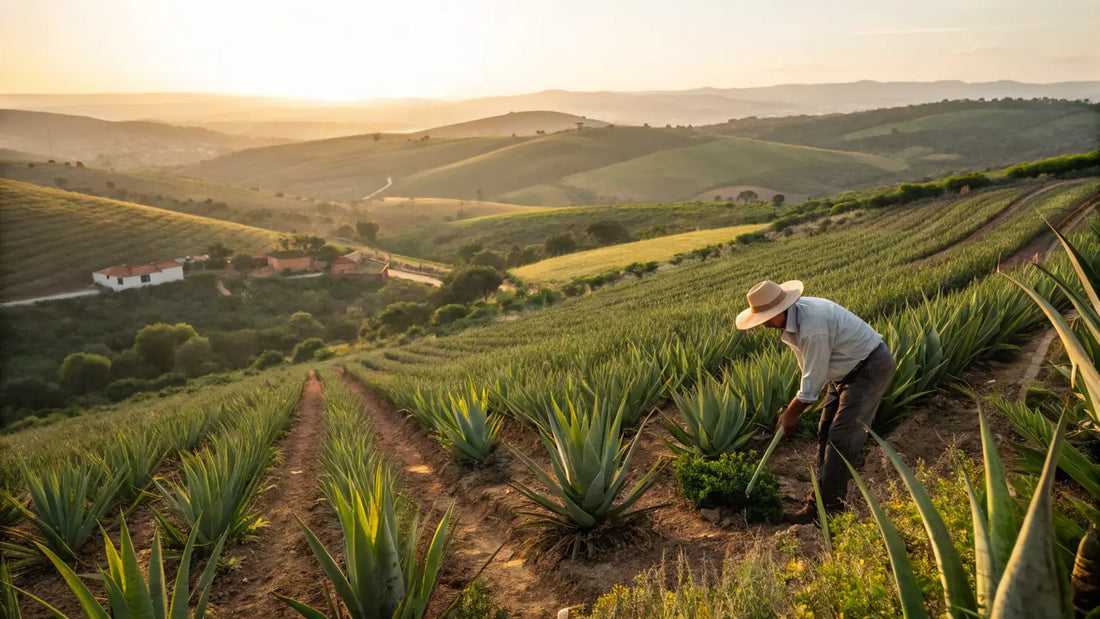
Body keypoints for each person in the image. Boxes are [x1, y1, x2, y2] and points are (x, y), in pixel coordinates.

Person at [735, 280, 895, 524]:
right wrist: (795, 408)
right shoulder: (795, 320)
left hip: (868, 368)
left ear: (778, 311)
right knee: (825, 432)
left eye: (765, 318)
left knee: (841, 437)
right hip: (842, 371)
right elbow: (811, 374)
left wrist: (790, 413)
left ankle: (830, 511)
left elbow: (812, 383)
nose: (764, 324)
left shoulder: (812, 326)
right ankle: (819, 503)